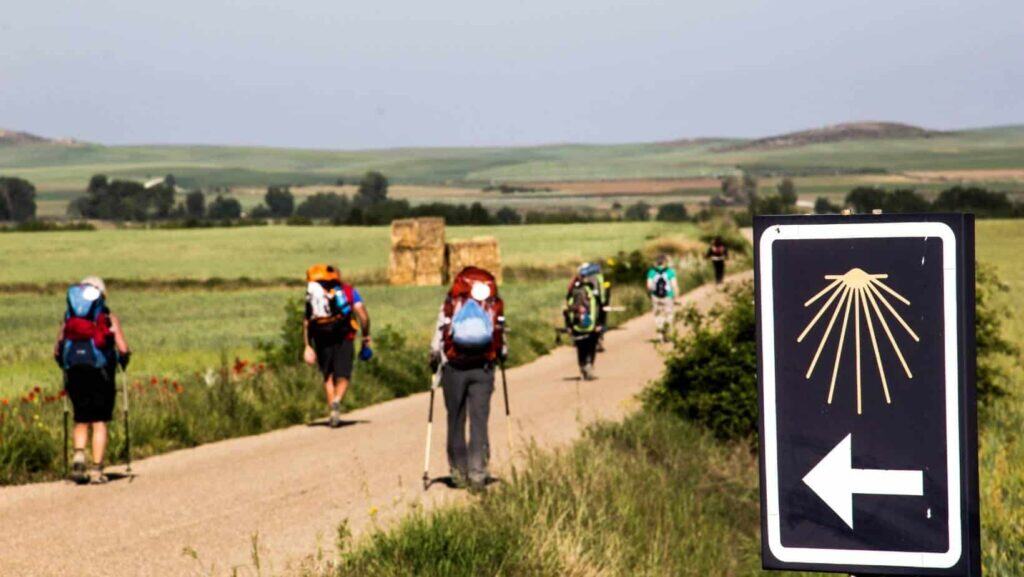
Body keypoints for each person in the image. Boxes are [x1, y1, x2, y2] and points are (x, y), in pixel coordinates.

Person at [428, 266, 506, 492]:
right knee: (479, 419)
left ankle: (459, 472)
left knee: (456, 418)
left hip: (454, 367)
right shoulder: (492, 302)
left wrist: (434, 357)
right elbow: (499, 331)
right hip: (483, 367)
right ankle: (478, 472)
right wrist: (501, 354)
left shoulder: (452, 301)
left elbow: (440, 332)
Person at [54, 276, 131, 485]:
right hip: (100, 372)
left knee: (81, 419)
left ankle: (79, 455)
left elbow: (58, 349)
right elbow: (123, 348)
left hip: (75, 370)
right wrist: (123, 361)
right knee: (99, 421)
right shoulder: (107, 316)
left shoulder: (69, 317)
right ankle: (97, 470)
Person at [302, 264, 371, 428]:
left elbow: (306, 321)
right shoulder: (348, 291)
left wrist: (307, 345)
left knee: (328, 375)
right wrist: (366, 335)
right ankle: (337, 401)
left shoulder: (314, 292)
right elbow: (363, 316)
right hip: (344, 336)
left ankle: (332, 409)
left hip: (320, 335)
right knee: (344, 374)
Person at [564, 273, 601, 380]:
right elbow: (596, 309)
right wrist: (598, 324)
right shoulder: (590, 291)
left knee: (581, 348)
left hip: (577, 326)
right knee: (591, 346)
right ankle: (589, 365)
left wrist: (569, 326)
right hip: (591, 325)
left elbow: (567, 312)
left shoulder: (571, 294)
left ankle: (583, 366)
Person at [646, 255, 680, 342]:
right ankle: (668, 334)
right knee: (669, 315)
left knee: (658, 316)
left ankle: (660, 335)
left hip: (655, 296)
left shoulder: (651, 272)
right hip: (668, 296)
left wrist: (651, 295)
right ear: (665, 262)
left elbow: (649, 286)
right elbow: (674, 285)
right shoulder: (670, 272)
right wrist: (676, 298)